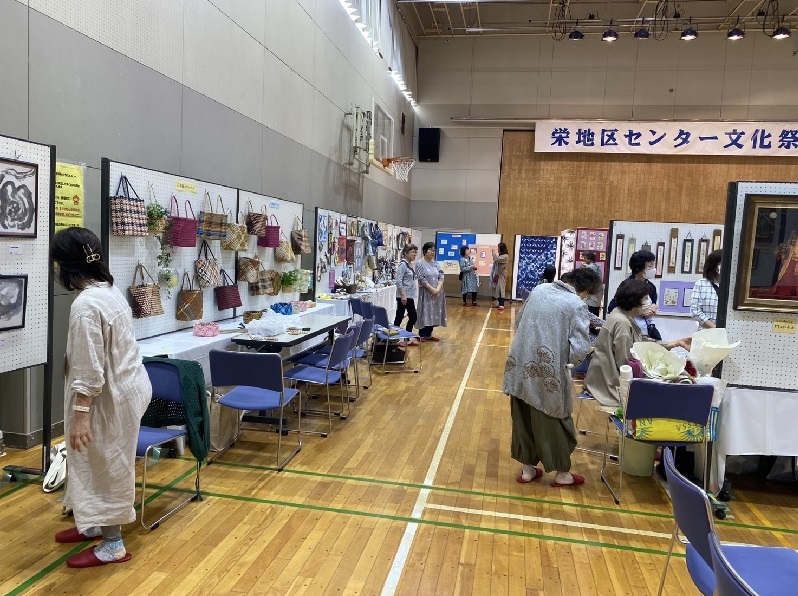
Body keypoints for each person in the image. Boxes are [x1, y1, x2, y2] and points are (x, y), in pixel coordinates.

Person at [49, 227, 152, 568]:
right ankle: (92, 522)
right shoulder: (107, 290)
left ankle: (113, 545)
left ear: (65, 266)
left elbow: (89, 369)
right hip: (127, 389)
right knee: (93, 461)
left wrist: (81, 416)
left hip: (111, 399)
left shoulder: (86, 305)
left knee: (105, 464)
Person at [503, 267, 600, 488]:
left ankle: (528, 471)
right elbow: (579, 348)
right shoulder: (576, 304)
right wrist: (569, 361)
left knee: (523, 416)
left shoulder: (540, 289)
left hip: (519, 362)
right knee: (555, 419)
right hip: (548, 368)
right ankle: (562, 474)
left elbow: (518, 322)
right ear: (586, 290)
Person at [584, 278, 691, 408]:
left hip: (604, 377)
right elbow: (625, 364)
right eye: (645, 298)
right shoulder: (622, 323)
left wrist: (676, 343)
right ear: (635, 300)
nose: (649, 302)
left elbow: (643, 342)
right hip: (609, 383)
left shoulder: (623, 315)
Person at [607, 249, 658, 339]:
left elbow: (653, 302)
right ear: (638, 268)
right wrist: (639, 312)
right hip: (630, 330)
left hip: (647, 330)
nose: (653, 269)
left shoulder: (651, 286)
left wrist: (653, 307)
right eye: (650, 267)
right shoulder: (627, 286)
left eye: (653, 266)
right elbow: (612, 308)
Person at [415, 241, 447, 341]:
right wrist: (432, 290)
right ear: (425, 251)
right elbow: (421, 278)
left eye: (434, 250)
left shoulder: (436, 263)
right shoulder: (420, 263)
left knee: (434, 312)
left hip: (437, 293)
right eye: (430, 250)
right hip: (426, 292)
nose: (433, 252)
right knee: (425, 312)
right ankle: (422, 334)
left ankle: (429, 334)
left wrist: (437, 289)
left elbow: (441, 275)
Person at [394, 243, 419, 346]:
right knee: (400, 317)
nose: (415, 254)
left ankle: (407, 338)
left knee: (412, 316)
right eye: (412, 252)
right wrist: (403, 294)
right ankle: (395, 339)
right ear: (405, 253)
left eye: (415, 252)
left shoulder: (409, 264)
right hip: (403, 296)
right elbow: (399, 280)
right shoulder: (403, 264)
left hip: (409, 296)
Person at [691, 249, 722, 329]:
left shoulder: (731, 286)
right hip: (706, 332)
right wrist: (715, 328)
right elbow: (695, 311)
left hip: (727, 332)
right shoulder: (701, 284)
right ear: (716, 266)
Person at [581, 251, 605, 317]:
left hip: (592, 296)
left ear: (589, 258)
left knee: (590, 316)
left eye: (585, 258)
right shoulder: (596, 266)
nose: (584, 259)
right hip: (595, 296)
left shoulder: (590, 267)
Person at [491, 242, 510, 312]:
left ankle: (502, 304)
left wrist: (493, 253)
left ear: (501, 248)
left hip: (501, 275)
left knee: (501, 289)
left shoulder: (505, 256)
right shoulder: (501, 256)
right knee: (497, 289)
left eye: (498, 248)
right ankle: (499, 303)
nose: (497, 249)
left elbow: (496, 259)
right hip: (497, 275)